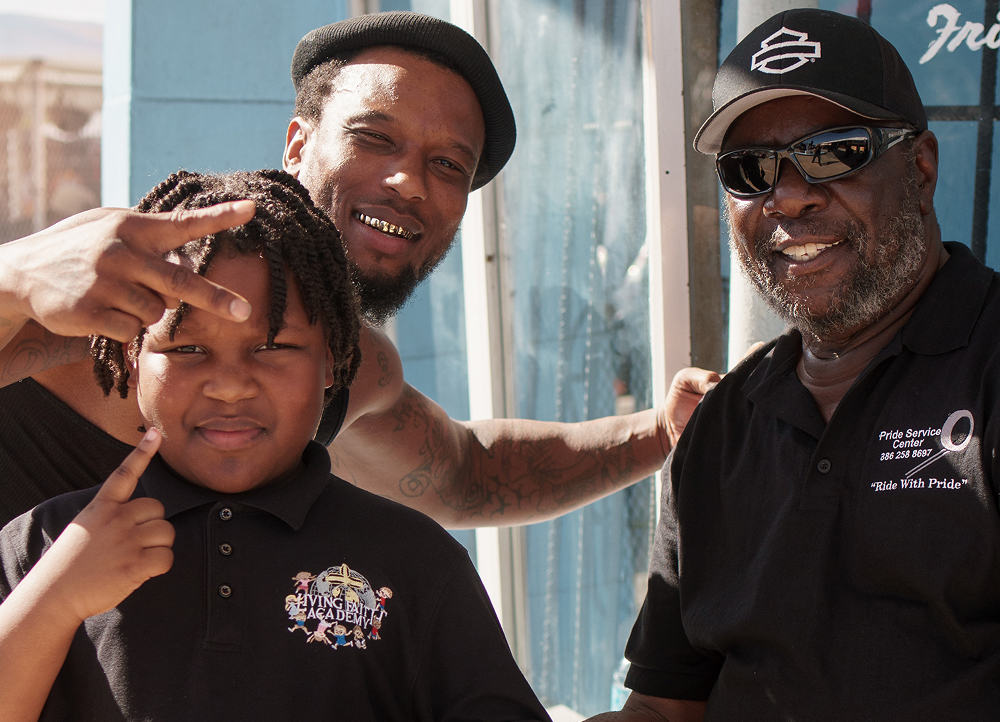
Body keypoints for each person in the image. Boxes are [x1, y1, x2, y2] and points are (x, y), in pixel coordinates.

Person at [0, 11, 718, 530]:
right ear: (297, 145)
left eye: (446, 166)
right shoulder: (137, 280)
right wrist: (17, 275)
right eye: (375, 138)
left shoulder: (352, 370)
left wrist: (659, 433)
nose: (408, 182)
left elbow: (468, 476)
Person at [0, 170, 550, 722]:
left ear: (333, 359)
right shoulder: (45, 544)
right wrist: (57, 598)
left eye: (273, 344)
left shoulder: (415, 562)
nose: (232, 383)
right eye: (188, 347)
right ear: (129, 356)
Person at [591, 9, 1000, 722]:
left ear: (923, 165)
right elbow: (665, 707)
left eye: (836, 152)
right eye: (751, 170)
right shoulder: (722, 428)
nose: (788, 195)